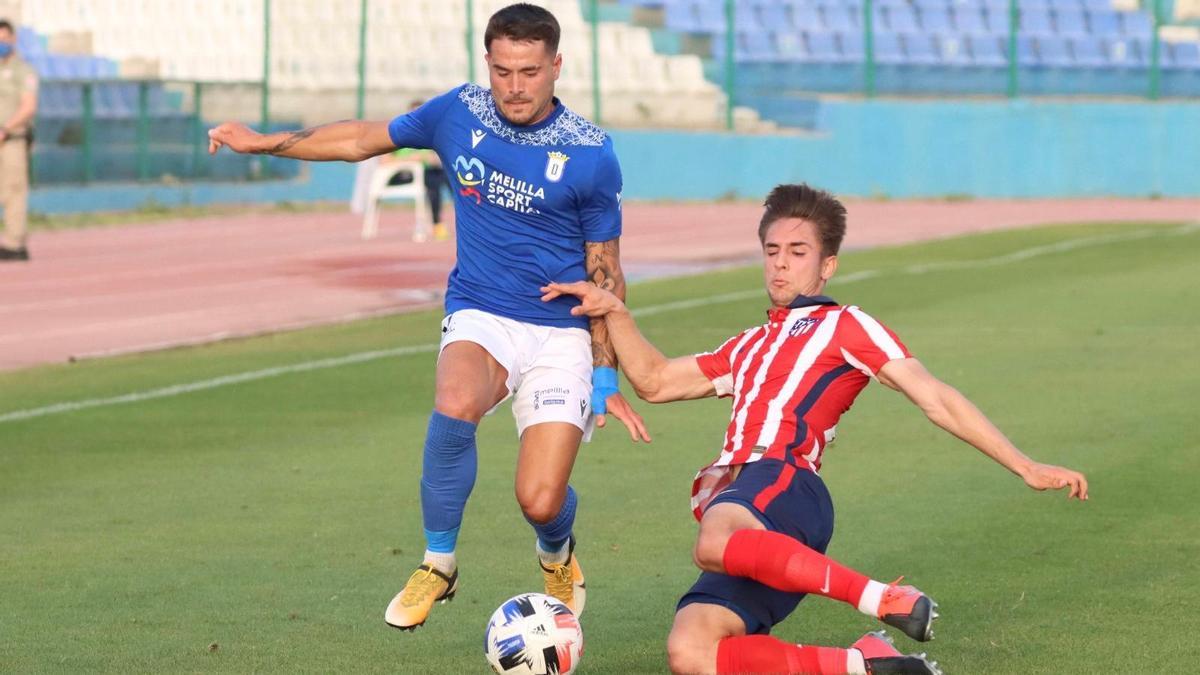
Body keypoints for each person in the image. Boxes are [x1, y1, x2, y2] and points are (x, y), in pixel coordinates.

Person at [208, 3, 649, 632]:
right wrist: (264, 141)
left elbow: (605, 270)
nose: (515, 87)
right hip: (481, 310)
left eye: (529, 71)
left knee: (539, 499)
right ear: (487, 65)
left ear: (556, 66)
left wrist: (606, 374)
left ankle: (557, 551)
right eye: (502, 71)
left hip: (560, 331)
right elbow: (362, 139)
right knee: (455, 397)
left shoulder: (590, 153)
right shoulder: (459, 111)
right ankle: (438, 564)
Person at [541, 183, 1089, 675]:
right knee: (691, 651)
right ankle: (865, 664)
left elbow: (935, 396)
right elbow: (656, 381)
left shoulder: (846, 324)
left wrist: (1024, 464)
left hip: (785, 482)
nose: (781, 265)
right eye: (772, 252)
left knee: (716, 537)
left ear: (827, 267)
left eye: (798, 253)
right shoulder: (749, 345)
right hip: (752, 505)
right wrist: (613, 310)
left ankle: (882, 597)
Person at [383, 100, 452, 242]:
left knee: (445, 175)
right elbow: (385, 160)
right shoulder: (398, 134)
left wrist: (434, 159)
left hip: (425, 173)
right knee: (433, 182)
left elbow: (436, 158)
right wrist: (412, 159)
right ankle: (437, 224)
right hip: (401, 174)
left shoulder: (427, 137)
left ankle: (466, 215)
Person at [0, 19, 37, 262]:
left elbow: (28, 106)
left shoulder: (24, 71)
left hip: (11, 139)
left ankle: (15, 243)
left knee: (14, 190)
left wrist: (5, 129)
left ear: (13, 40)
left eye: (4, 39)